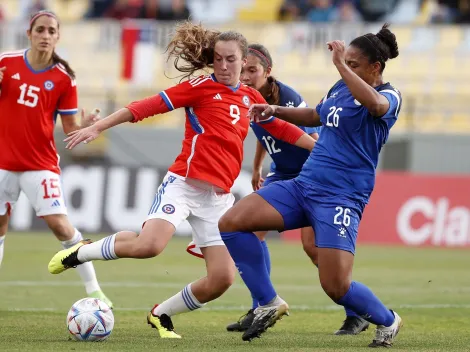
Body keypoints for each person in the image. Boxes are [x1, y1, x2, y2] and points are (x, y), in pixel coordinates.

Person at [47, 22, 316, 338]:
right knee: (149, 246)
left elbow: (282, 129)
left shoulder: (250, 97)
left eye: (231, 59)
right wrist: (98, 127)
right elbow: (144, 107)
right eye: (218, 59)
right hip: (184, 185)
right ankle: (81, 252)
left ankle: (160, 315)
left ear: (244, 62)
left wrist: (322, 149)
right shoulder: (199, 88)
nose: (224, 65)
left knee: (221, 280)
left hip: (217, 200)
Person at [218, 23, 404, 347]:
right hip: (304, 185)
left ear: (376, 67)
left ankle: (388, 320)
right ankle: (267, 302)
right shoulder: (340, 87)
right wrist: (274, 110)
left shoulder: (389, 96)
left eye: (355, 64)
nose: (348, 68)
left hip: (342, 198)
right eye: (348, 62)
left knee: (336, 286)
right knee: (232, 222)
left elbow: (375, 106)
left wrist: (341, 65)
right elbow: (316, 115)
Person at [0, 10, 113, 307]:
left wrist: (86, 125)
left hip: (40, 165)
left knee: (61, 227)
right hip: (3, 163)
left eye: (51, 31)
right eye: (40, 30)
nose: (45, 36)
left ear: (58, 36)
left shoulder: (64, 79)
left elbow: (69, 130)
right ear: (29, 33)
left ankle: (95, 291)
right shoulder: (5, 62)